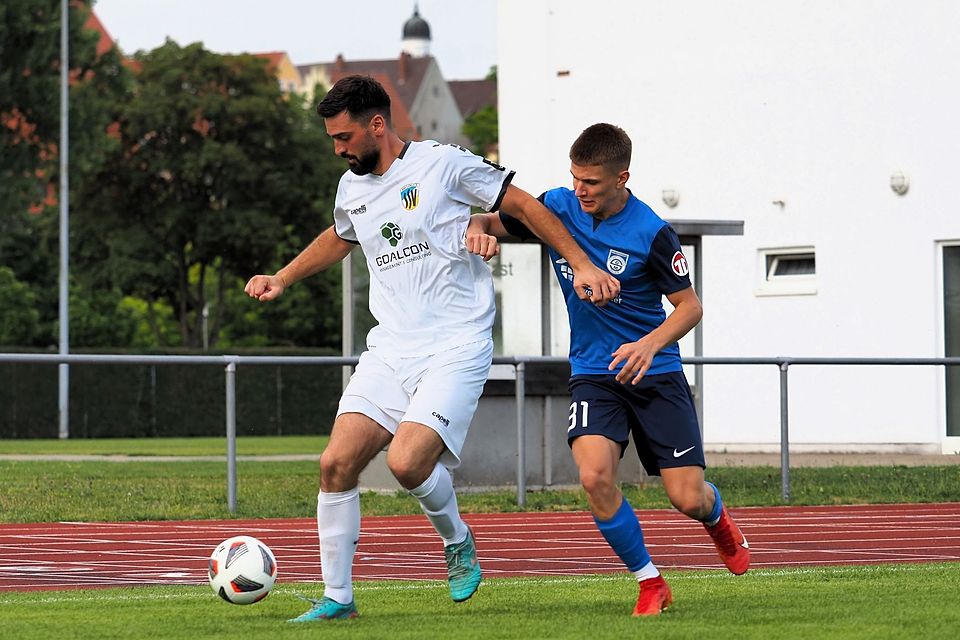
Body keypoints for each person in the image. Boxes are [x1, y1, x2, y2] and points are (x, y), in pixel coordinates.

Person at [244, 76, 620, 623]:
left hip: (456, 343)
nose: (338, 148)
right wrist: (283, 276)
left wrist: (581, 263)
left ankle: (457, 539)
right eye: (332, 139)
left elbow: (524, 205)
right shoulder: (351, 187)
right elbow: (341, 236)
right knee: (335, 464)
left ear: (378, 125)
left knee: (407, 462)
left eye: (344, 136)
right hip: (390, 347)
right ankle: (338, 599)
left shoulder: (442, 163)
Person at [465, 123, 750, 616]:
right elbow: (492, 220)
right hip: (594, 373)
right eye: (575, 178)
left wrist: (648, 344)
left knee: (686, 498)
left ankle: (717, 517)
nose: (580, 190)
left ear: (622, 178)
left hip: (655, 372)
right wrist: (477, 225)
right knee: (594, 476)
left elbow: (690, 307)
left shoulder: (652, 232)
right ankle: (650, 582)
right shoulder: (556, 207)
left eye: (591, 182)